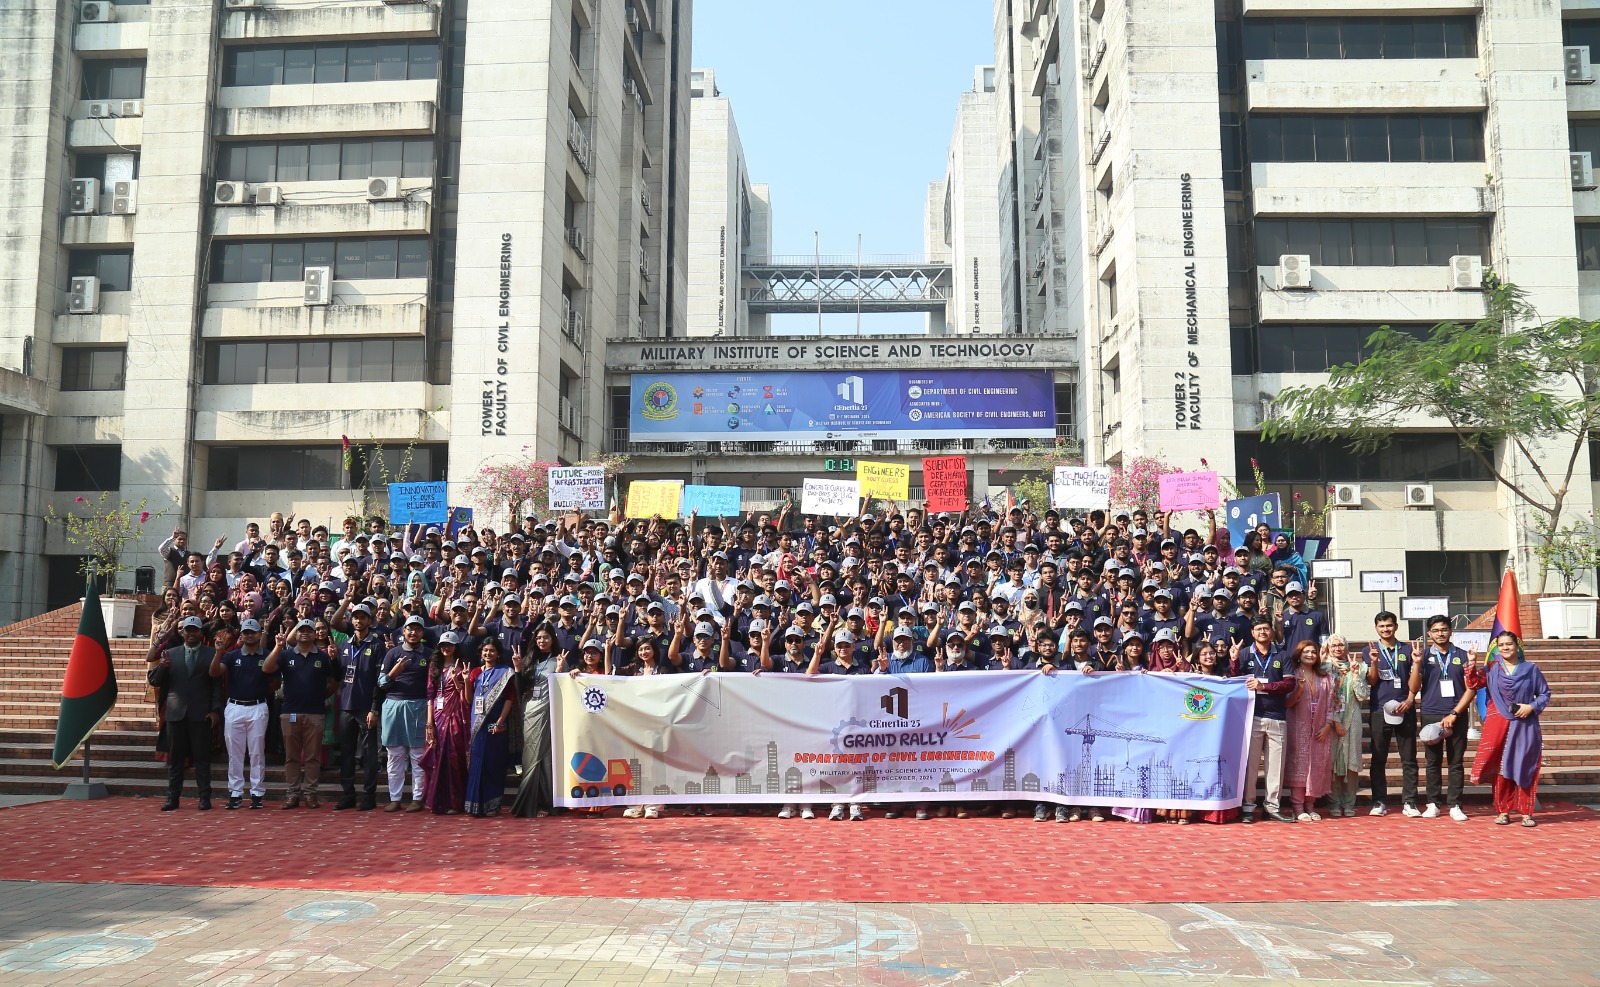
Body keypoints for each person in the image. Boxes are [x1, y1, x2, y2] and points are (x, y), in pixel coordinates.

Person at [1470, 631, 1552, 826]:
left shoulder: (1530, 669)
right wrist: (1472, 662)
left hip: (1525, 723)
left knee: (1525, 765)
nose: (1505, 648)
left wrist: (1531, 707)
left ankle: (1526, 813)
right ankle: (1503, 811)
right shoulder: (1491, 668)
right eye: (1501, 645)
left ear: (1517, 646)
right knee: (1500, 768)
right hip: (1498, 725)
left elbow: (1544, 694)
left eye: (1509, 644)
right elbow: (1473, 683)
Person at [148, 616, 222, 811]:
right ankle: (172, 798)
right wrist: (162, 667)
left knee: (202, 759)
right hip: (175, 714)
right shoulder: (170, 654)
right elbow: (154, 681)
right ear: (182, 632)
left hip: (201, 714)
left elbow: (216, 686)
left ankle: (204, 798)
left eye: (195, 630)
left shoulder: (211, 653)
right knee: (175, 760)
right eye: (187, 630)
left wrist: (215, 711)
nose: (191, 633)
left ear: (200, 632)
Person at [263, 618, 336, 809]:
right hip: (290, 712)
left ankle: (311, 794)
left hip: (315, 713)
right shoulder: (285, 654)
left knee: (312, 757)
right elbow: (267, 668)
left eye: (308, 630)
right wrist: (278, 646)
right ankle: (292, 794)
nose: (304, 633)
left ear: (314, 634)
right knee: (292, 757)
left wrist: (321, 696)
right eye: (301, 630)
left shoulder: (322, 657)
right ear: (295, 634)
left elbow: (334, 682)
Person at [1410, 614, 1475, 821]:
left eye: (1444, 629)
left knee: (1456, 762)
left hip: (1457, 714)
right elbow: (1413, 688)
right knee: (1432, 762)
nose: (1440, 633)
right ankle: (1433, 803)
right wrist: (1416, 664)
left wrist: (1455, 713)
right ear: (1429, 633)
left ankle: (1455, 804)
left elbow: (1472, 688)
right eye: (1436, 630)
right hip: (1431, 713)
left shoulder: (1463, 655)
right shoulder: (1422, 656)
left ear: (1450, 631)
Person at [1234, 616, 1297, 823]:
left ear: (1271, 632)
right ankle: (1248, 807)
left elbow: (1290, 684)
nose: (1262, 632)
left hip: (1277, 716)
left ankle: (1272, 807)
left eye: (1266, 628)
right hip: (1251, 716)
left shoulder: (1282, 655)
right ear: (1252, 632)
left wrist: (1265, 687)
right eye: (1258, 629)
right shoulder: (1244, 654)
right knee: (1251, 766)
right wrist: (1233, 661)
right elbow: (1234, 681)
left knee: (1275, 767)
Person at [211, 616, 273, 810]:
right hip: (235, 707)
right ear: (242, 635)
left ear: (259, 634)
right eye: (246, 632)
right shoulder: (232, 656)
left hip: (258, 707)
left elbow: (275, 682)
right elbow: (214, 672)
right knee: (235, 753)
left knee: (257, 752)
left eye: (253, 632)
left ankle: (257, 793)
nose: (249, 636)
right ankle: (235, 793)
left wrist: (259, 692)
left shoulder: (267, 655)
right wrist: (219, 652)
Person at [1365, 610, 1419, 817]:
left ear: (1396, 626)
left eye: (1389, 625)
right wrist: (1374, 661)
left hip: (1405, 708)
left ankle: (1410, 802)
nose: (1386, 629)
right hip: (1380, 710)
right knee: (1379, 758)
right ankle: (1379, 801)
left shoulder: (1407, 649)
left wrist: (1410, 699)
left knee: (1409, 758)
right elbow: (1372, 681)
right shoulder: (1370, 650)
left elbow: (1415, 681)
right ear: (1376, 628)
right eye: (1381, 626)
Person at [335, 602, 387, 811]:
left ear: (370, 620)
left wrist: (374, 708)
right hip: (346, 706)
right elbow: (338, 674)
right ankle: (348, 795)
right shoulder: (344, 645)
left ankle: (369, 796)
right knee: (347, 752)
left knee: (369, 753)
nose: (358, 620)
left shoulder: (377, 645)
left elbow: (380, 681)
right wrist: (332, 659)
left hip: (366, 707)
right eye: (355, 617)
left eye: (362, 617)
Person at [379, 615, 433, 812]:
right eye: (410, 628)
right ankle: (395, 798)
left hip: (419, 706)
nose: (413, 632)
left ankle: (417, 798)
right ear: (403, 631)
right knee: (395, 755)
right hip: (393, 706)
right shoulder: (393, 653)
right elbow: (381, 684)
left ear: (422, 632)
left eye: (417, 629)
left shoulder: (429, 654)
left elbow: (433, 685)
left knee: (418, 755)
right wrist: (394, 673)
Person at [512, 624, 564, 818]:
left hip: (548, 710)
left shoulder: (559, 660)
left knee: (545, 757)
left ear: (552, 639)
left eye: (546, 637)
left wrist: (560, 671)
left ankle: (547, 802)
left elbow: (564, 690)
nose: (542, 641)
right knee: (530, 755)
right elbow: (519, 690)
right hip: (529, 711)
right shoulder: (529, 660)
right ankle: (531, 801)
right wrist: (518, 669)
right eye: (539, 637)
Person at [463, 636, 519, 817]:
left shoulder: (505, 672)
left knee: (494, 763)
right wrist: (466, 681)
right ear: (481, 652)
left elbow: (510, 698)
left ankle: (492, 805)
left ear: (498, 653)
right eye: (485, 650)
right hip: (477, 723)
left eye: (492, 650)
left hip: (496, 723)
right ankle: (474, 805)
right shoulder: (475, 672)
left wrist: (501, 721)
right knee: (477, 763)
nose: (488, 653)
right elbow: (469, 700)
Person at [1284, 640, 1339, 822]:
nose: (1310, 655)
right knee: (1299, 766)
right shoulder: (1292, 675)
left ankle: (1310, 806)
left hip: (1321, 728)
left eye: (1313, 652)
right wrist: (1299, 690)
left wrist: (1328, 725)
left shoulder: (1326, 677)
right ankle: (1298, 807)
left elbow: (1332, 704)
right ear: (1298, 655)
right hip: (1298, 726)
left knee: (1316, 765)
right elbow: (1288, 702)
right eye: (1306, 652)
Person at [420, 632, 472, 815]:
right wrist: (429, 721)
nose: (446, 648)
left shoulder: (461, 667)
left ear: (456, 647)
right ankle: (437, 800)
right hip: (437, 713)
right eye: (443, 645)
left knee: (453, 757)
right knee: (436, 754)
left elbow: (467, 698)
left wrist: (460, 682)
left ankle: (454, 801)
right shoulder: (434, 666)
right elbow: (430, 694)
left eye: (449, 645)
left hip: (455, 714)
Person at [1326, 635, 1369, 817]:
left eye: (1341, 645)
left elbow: (1362, 695)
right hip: (1329, 720)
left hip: (1353, 718)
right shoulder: (1323, 667)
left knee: (1351, 762)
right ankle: (1334, 803)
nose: (1338, 648)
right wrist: (1335, 720)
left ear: (1346, 647)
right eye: (1334, 645)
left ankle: (1349, 802)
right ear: (1328, 648)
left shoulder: (1359, 667)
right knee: (1332, 762)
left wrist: (1356, 674)